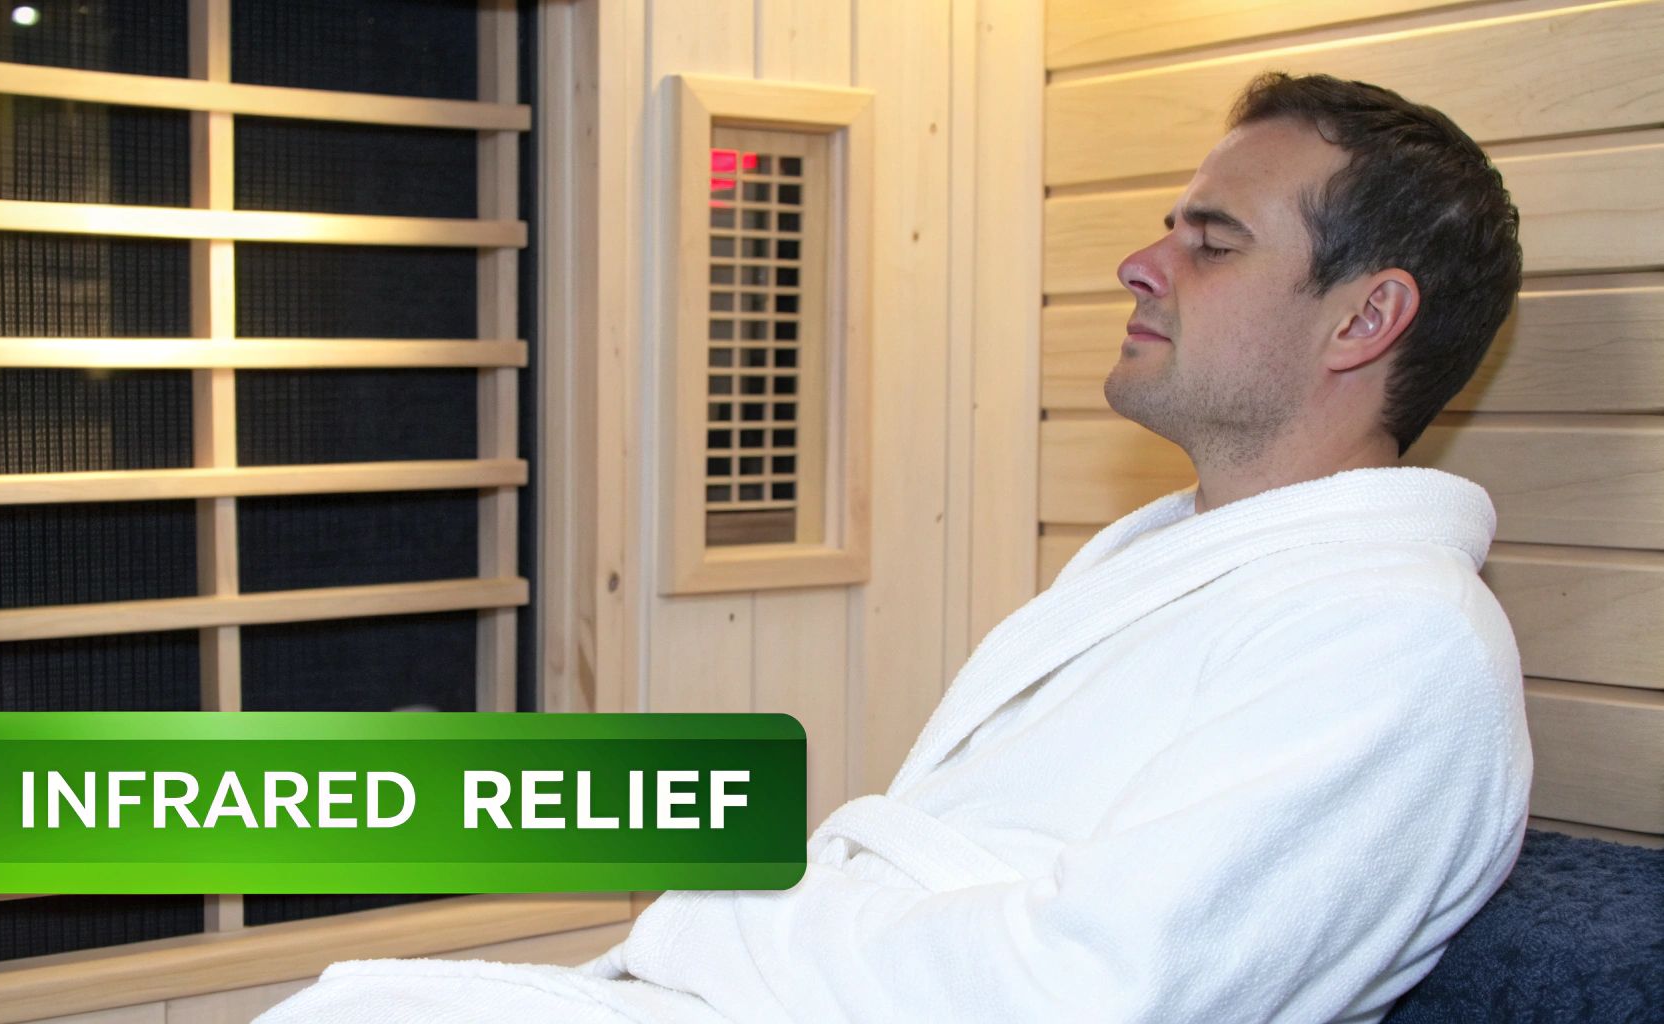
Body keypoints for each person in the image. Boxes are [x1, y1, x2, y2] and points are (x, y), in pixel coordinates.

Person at [258, 72, 1532, 1024]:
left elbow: (1093, 999)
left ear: (1364, 316)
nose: (1140, 264)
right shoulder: (1170, 571)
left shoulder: (1396, 648)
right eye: (1167, 226)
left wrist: (715, 923)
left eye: (1211, 241)